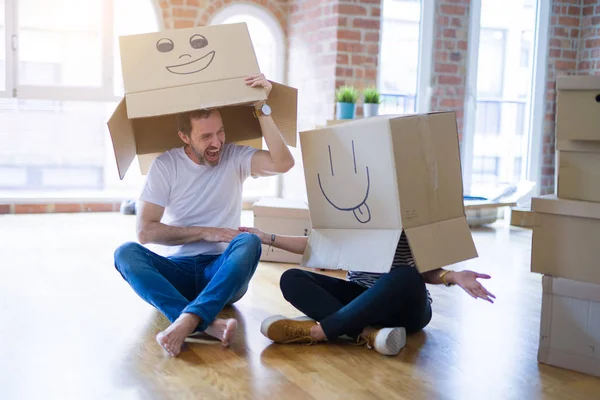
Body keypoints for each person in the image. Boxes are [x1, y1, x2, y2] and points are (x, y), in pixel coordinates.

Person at [113, 74, 295, 357]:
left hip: (222, 272)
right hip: (179, 270)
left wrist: (262, 107)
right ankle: (204, 323)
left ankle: (186, 320)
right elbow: (145, 232)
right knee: (125, 253)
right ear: (184, 136)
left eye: (220, 132)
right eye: (206, 136)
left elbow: (284, 163)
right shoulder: (166, 165)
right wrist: (205, 232)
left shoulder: (236, 157)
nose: (217, 142)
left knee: (248, 242)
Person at [238, 226, 495, 356]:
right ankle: (366, 334)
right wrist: (265, 236)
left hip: (406, 307)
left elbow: (424, 271)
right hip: (361, 297)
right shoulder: (352, 210)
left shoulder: (411, 217)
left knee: (406, 275)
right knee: (291, 278)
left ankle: (319, 330)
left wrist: (453, 276)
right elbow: (317, 245)